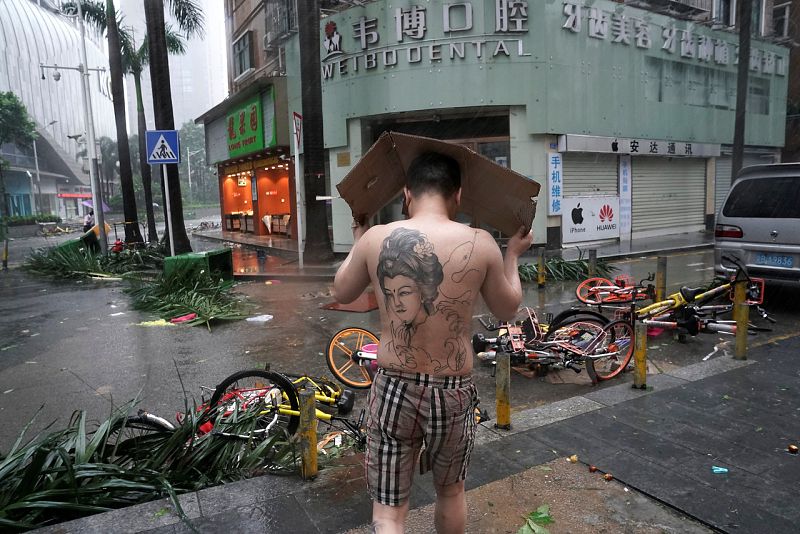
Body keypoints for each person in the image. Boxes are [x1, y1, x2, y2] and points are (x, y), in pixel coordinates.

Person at [333, 151, 533, 534]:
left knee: (388, 512)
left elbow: (342, 290)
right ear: (457, 195)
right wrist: (512, 256)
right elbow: (508, 309)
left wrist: (359, 240)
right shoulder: (481, 242)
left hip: (394, 385)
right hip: (453, 391)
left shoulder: (378, 238)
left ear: (407, 193)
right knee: (451, 492)